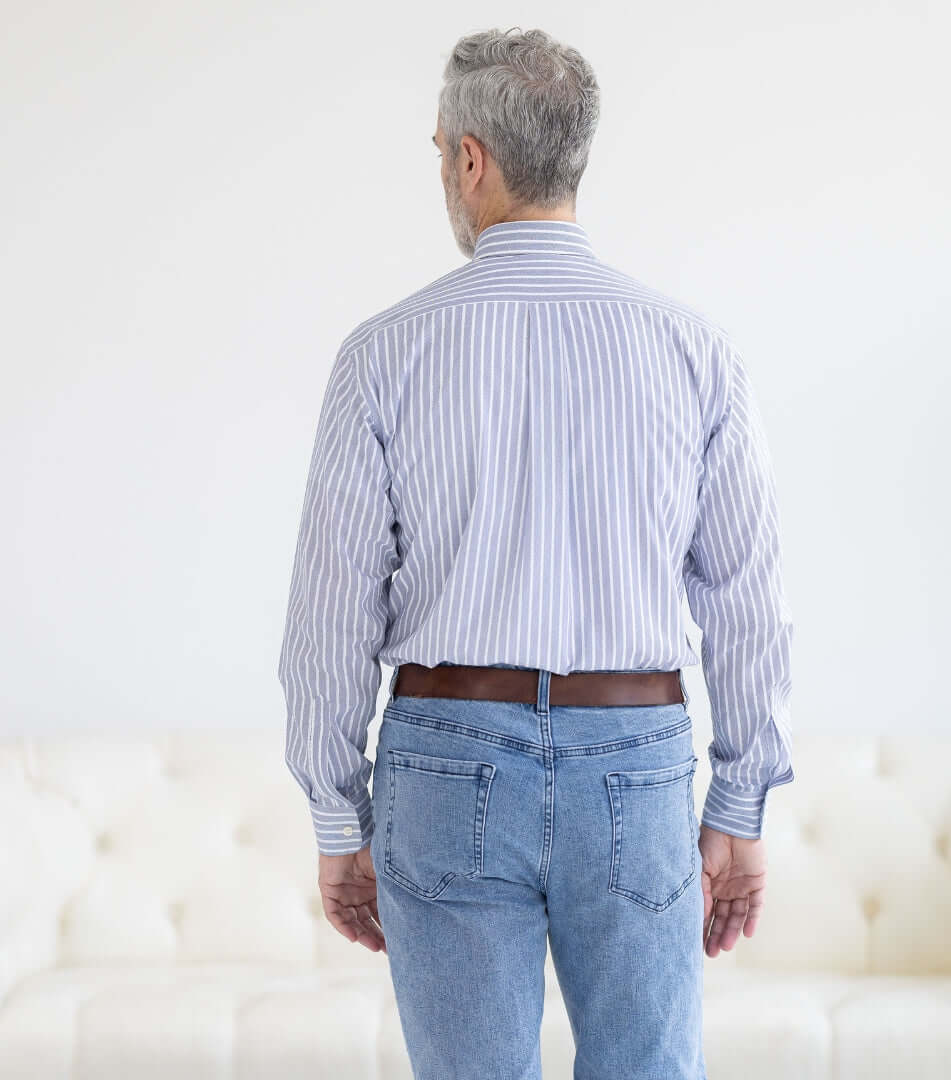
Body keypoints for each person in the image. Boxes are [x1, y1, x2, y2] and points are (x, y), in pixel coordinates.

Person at [277, 25, 795, 1080]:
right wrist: (740, 803)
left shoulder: (384, 353)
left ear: (473, 159)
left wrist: (340, 817)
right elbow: (746, 596)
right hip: (635, 764)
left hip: (443, 758)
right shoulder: (693, 350)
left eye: (439, 153)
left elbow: (329, 612)